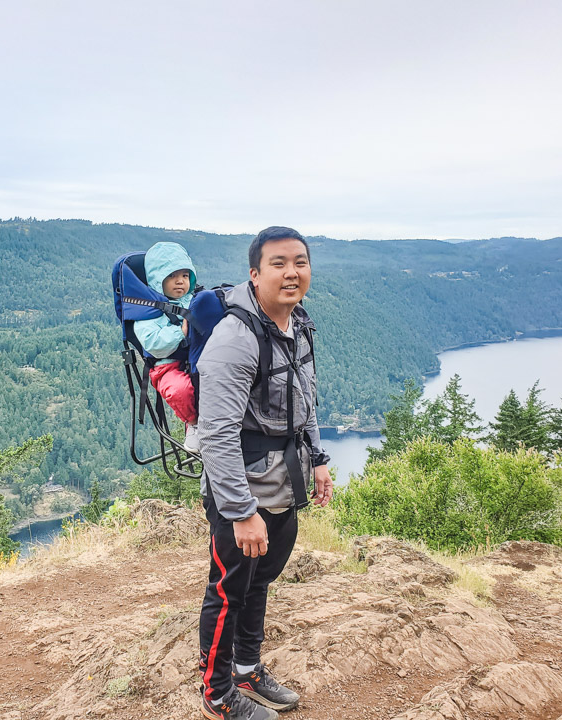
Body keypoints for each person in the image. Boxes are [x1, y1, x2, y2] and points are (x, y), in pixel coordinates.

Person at [196, 227, 332, 720]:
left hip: (284, 482)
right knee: (229, 590)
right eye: (278, 263)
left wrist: (317, 460)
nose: (291, 272)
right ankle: (217, 694)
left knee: (261, 581)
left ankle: (246, 668)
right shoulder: (235, 338)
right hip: (244, 493)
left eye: (300, 261)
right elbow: (216, 434)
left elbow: (304, 399)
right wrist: (240, 511)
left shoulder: (299, 324)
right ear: (255, 275)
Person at [133, 241, 200, 452]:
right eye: (172, 276)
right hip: (167, 365)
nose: (180, 281)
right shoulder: (147, 312)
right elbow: (153, 343)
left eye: (185, 276)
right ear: (157, 279)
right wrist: (180, 331)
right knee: (181, 391)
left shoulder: (195, 300)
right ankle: (194, 424)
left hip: (198, 358)